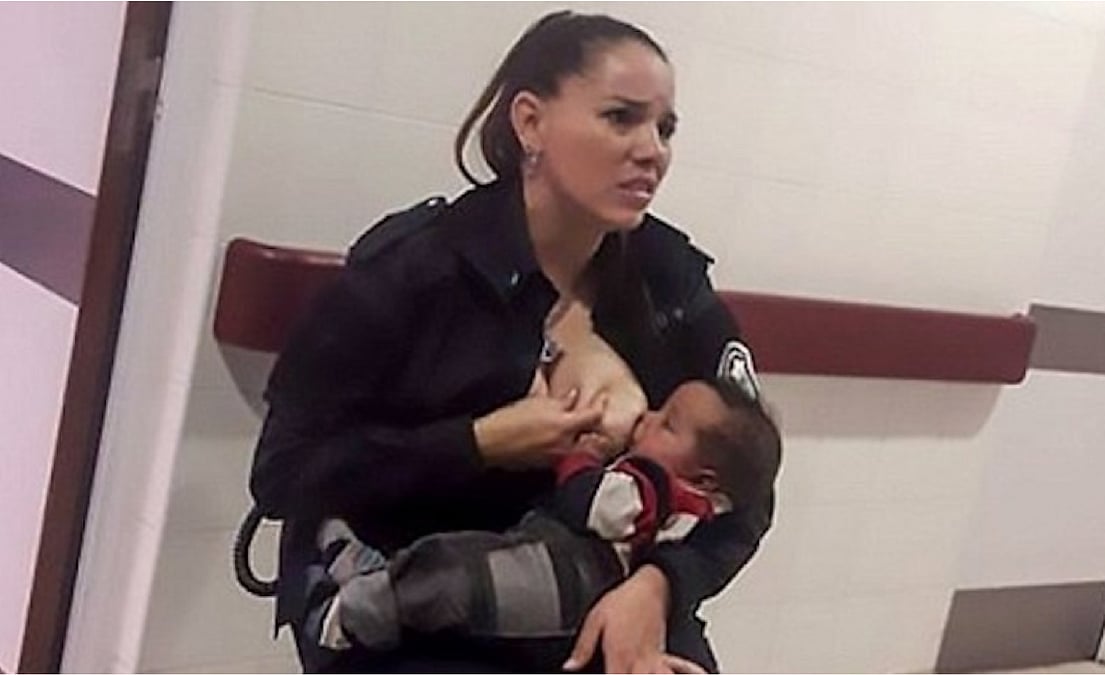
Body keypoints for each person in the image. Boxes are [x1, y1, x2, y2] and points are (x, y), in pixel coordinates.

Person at [250, 9, 773, 673]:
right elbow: (284, 475)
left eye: (664, 128)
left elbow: (748, 479)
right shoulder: (415, 271)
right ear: (530, 122)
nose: (653, 150)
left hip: (598, 583)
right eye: (621, 118)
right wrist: (478, 442)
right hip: (413, 595)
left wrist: (660, 585)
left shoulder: (669, 280)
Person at [304, 378, 782, 674]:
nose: (647, 416)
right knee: (449, 577)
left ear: (704, 478)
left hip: (562, 579)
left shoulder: (654, 486)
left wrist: (578, 456)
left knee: (451, 576)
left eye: (667, 424)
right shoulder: (701, 506)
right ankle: (372, 583)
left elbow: (591, 503)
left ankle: (347, 611)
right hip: (562, 582)